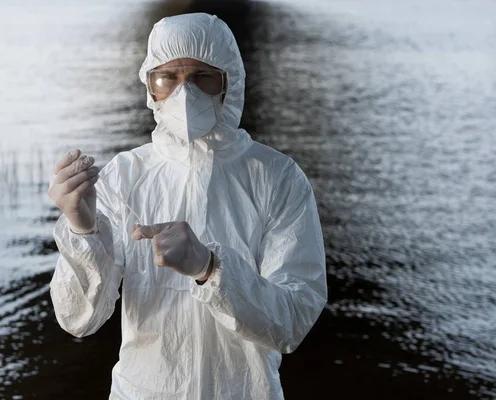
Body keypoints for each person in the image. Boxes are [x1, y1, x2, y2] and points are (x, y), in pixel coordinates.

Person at [47, 13, 327, 399]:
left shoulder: (278, 178)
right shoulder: (124, 176)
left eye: (202, 77)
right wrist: (82, 229)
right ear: (151, 86)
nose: (184, 93)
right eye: (169, 77)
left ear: (229, 82)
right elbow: (79, 320)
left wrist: (211, 269)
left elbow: (292, 323)